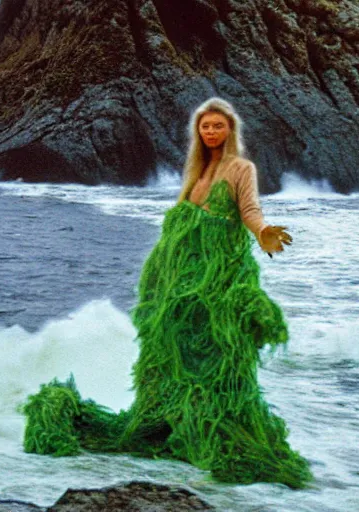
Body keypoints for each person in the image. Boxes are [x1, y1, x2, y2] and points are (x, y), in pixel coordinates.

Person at [22, 98, 312, 489]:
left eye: (217, 126)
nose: (211, 132)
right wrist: (160, 279)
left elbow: (249, 211)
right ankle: (171, 424)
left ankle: (216, 427)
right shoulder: (198, 169)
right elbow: (180, 216)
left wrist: (263, 233)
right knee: (173, 351)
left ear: (229, 130)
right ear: (199, 132)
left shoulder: (242, 168)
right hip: (178, 275)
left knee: (217, 351)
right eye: (205, 127)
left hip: (219, 272)